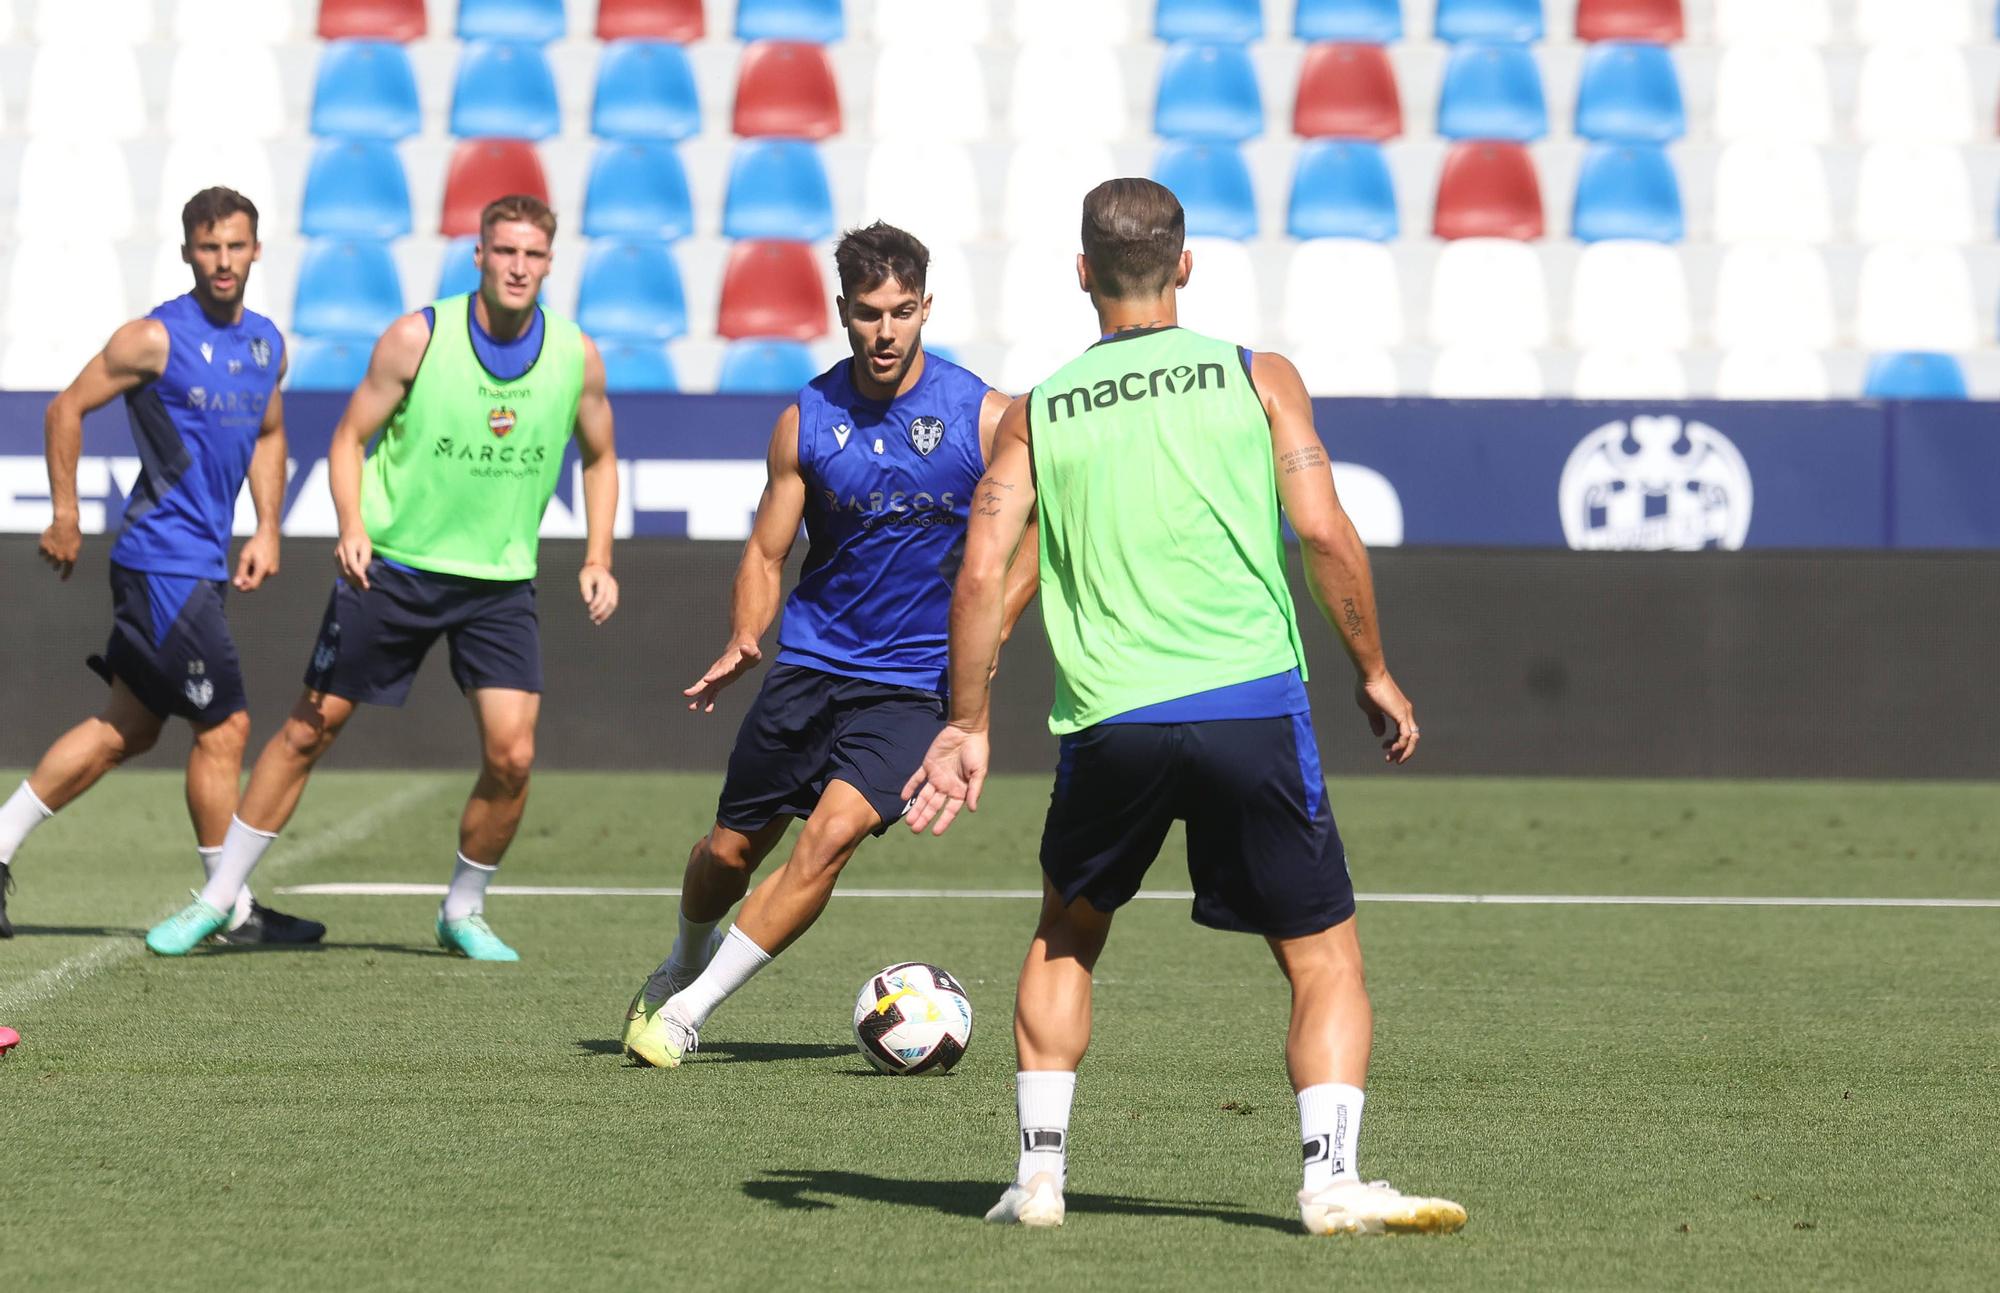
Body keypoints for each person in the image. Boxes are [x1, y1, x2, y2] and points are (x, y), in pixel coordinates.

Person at [903, 179, 1466, 1237]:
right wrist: (1371, 670)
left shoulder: (1038, 410)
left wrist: (966, 721)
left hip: (1110, 719)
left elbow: (981, 574)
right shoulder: (1258, 378)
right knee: (1320, 954)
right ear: (1187, 264)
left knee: (1067, 930)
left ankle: (1037, 1178)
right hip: (1249, 703)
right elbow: (1324, 531)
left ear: (1080, 275)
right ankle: (1330, 1181)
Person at [144, 195, 620, 960]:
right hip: (393, 571)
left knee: (514, 756)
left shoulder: (576, 355)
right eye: (504, 252)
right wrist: (354, 526)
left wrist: (598, 556)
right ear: (479, 254)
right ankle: (217, 897)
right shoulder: (416, 337)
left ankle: (462, 910)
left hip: (499, 585)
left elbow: (600, 455)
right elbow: (346, 439)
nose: (518, 267)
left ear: (551, 262)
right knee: (309, 728)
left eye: (532, 255)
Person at [620, 222, 1037, 1067]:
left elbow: (1051, 525)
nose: (887, 332)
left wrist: (990, 634)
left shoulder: (986, 416)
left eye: (904, 312)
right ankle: (683, 959)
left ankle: (687, 1015)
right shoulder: (805, 420)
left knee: (830, 838)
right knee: (726, 854)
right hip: (810, 669)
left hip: (913, 687)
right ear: (842, 311)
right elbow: (767, 551)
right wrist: (746, 632)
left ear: (927, 308)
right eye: (871, 314)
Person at [0, 187, 318, 946]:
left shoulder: (267, 344)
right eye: (209, 247)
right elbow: (63, 409)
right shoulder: (154, 338)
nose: (223, 261)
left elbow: (271, 432)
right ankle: (229, 906)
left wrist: (268, 527)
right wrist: (67, 514)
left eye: (236, 246)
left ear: (257, 251)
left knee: (125, 731)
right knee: (226, 723)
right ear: (186, 253)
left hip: (198, 564)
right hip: (159, 563)